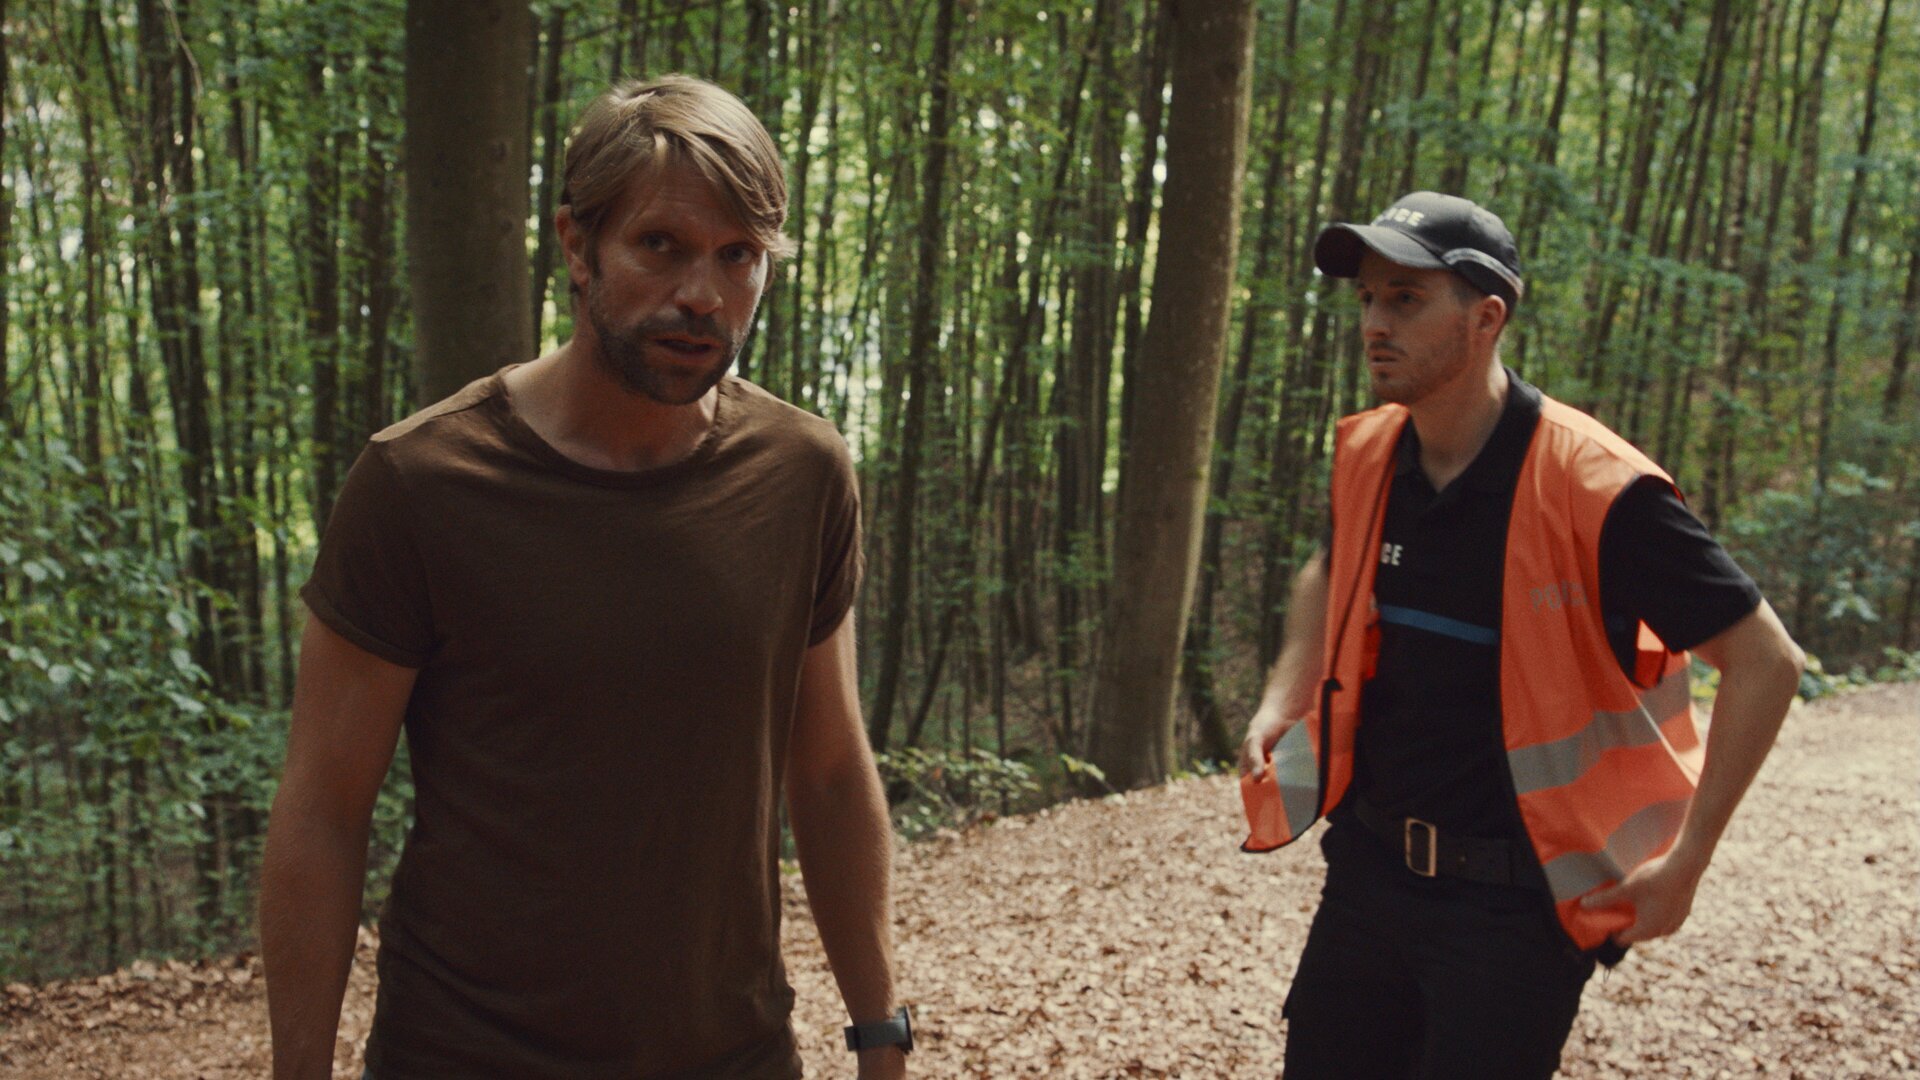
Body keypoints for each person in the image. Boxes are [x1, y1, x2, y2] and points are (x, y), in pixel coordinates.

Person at [259, 76, 911, 1080]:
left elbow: (828, 772)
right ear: (576, 244)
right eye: (661, 245)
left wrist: (880, 1034)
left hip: (732, 1055)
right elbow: (323, 807)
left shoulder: (801, 473)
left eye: (738, 255)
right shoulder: (420, 484)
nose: (703, 294)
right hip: (467, 1057)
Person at [1237, 191, 1805, 1079]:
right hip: (1367, 878)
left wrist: (1689, 859)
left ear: (1486, 318)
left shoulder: (1598, 487)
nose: (1374, 324)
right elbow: (1328, 566)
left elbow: (1767, 662)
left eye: (1406, 299)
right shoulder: (1371, 454)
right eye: (1368, 299)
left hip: (1515, 912)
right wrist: (1284, 695)